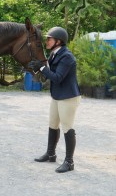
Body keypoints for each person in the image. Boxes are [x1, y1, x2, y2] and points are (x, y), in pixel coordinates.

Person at [28, 27, 81, 173]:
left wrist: (43, 68)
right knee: (52, 124)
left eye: (49, 39)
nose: (47, 41)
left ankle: (69, 162)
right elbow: (48, 75)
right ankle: (50, 153)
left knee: (67, 127)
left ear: (58, 41)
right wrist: (37, 68)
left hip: (68, 97)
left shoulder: (67, 56)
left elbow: (57, 78)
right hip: (57, 96)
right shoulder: (53, 54)